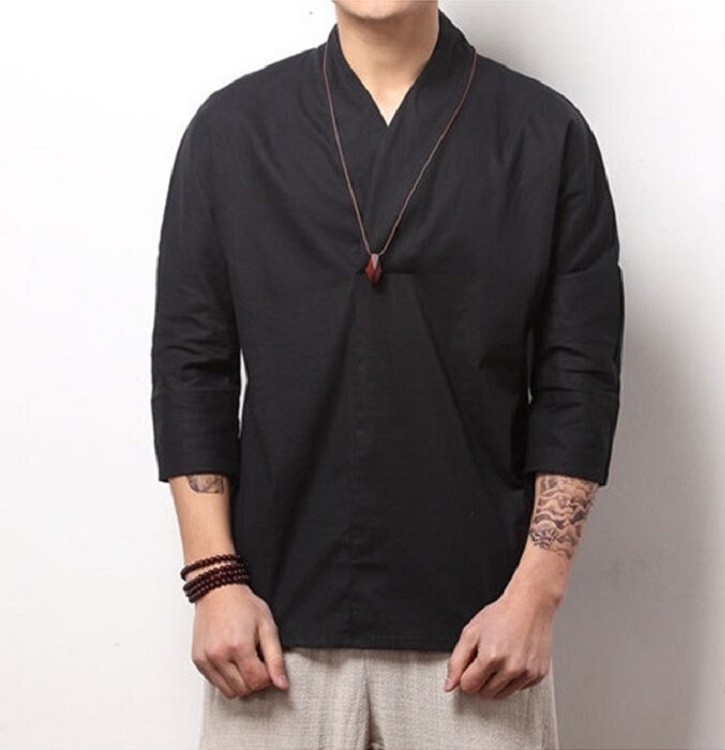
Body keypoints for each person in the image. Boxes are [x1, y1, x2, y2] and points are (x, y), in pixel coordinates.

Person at [149, 1, 624, 748]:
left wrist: (536, 597)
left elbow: (579, 382)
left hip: (480, 630)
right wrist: (214, 581)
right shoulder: (232, 131)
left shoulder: (544, 134)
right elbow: (190, 366)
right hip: (268, 627)